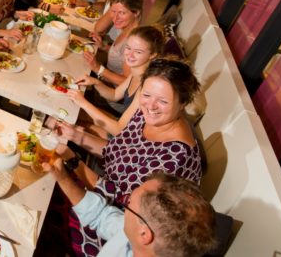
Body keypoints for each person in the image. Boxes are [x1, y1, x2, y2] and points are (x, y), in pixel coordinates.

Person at [54, 58, 203, 256]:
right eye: (146, 94)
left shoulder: (175, 157)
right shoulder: (146, 115)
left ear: (183, 103)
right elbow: (114, 152)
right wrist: (73, 135)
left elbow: (120, 206)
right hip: (102, 190)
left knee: (50, 202)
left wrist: (74, 163)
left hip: (117, 231)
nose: (151, 105)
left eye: (163, 101)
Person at [45, 165, 217, 257]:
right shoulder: (136, 235)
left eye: (128, 204)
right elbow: (101, 215)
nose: (125, 201)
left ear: (145, 234)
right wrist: (61, 177)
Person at [69, 26, 164, 138]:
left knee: (71, 120)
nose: (129, 55)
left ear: (153, 55)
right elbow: (114, 95)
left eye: (138, 52)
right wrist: (95, 82)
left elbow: (119, 130)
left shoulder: (146, 86)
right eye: (128, 48)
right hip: (120, 124)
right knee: (73, 112)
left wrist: (83, 102)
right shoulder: (136, 72)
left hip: (125, 140)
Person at [84, 0, 143, 87]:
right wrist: (103, 46)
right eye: (113, 11)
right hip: (104, 81)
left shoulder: (135, 41)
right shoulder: (126, 29)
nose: (115, 18)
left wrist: (98, 68)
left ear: (136, 12)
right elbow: (121, 55)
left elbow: (127, 82)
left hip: (111, 95)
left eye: (122, 13)